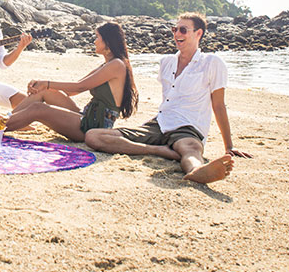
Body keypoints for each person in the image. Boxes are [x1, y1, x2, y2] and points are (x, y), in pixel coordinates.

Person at [85, 13, 252, 184]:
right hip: (159, 124)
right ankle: (159, 150)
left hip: (188, 127)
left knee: (190, 149)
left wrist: (229, 146)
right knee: (93, 136)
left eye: (183, 30)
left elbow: (218, 105)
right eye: (175, 29)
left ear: (198, 33)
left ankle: (196, 170)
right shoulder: (166, 62)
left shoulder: (212, 63)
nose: (177, 34)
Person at [5, 22, 138, 141]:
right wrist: (41, 85)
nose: (94, 42)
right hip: (88, 116)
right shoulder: (108, 64)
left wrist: (47, 82)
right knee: (44, 92)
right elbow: (72, 91)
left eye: (97, 37)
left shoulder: (117, 65)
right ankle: (6, 120)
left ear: (108, 41)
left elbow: (80, 87)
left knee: (38, 109)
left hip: (95, 126)